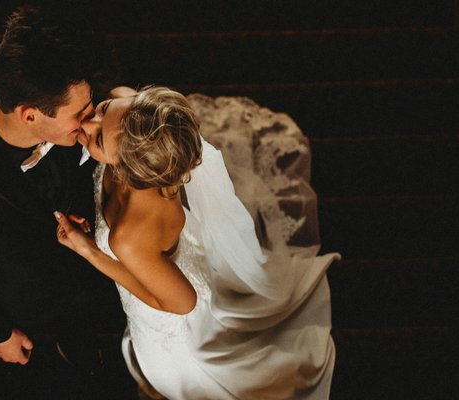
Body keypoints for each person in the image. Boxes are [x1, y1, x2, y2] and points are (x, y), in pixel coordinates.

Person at [55, 86, 339, 399]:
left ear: (132, 170)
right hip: (179, 255)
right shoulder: (145, 131)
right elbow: (126, 98)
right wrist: (111, 109)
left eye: (98, 140)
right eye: (103, 109)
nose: (89, 123)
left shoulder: (128, 237)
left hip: (171, 311)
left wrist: (90, 251)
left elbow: (180, 303)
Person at [0, 5, 122, 394]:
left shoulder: (64, 111)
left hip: (97, 282)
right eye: (78, 114)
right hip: (31, 306)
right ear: (30, 116)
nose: (89, 122)